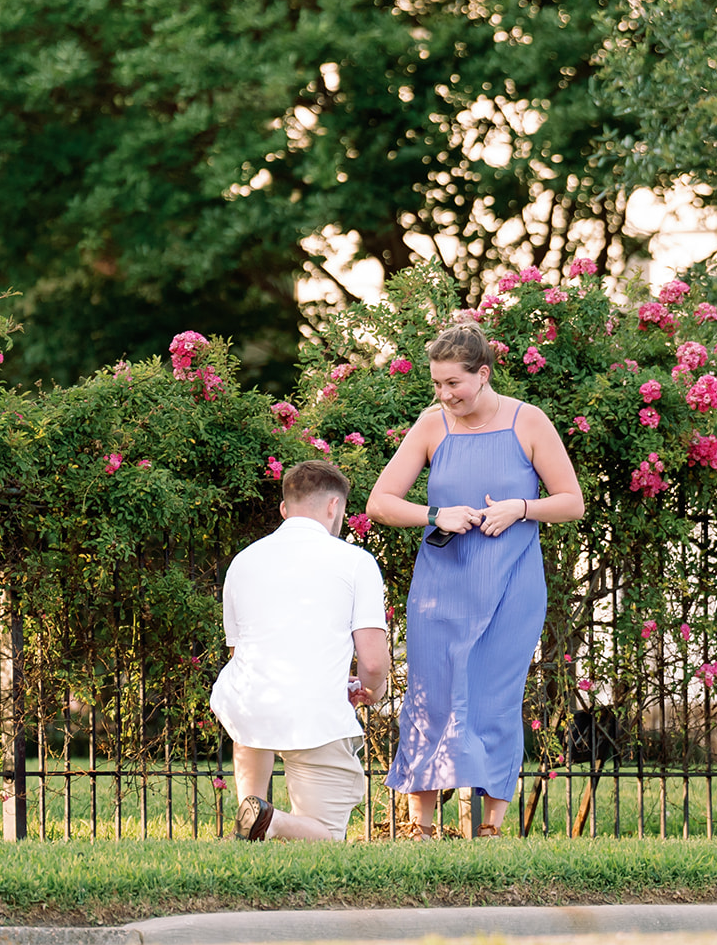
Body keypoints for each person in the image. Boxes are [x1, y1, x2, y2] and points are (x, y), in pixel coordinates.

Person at [368, 321, 584, 838]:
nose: (444, 394)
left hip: (512, 585)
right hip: (441, 586)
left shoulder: (528, 422)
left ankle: (490, 826)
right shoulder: (430, 425)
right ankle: (421, 827)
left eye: (453, 384)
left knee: (495, 696)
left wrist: (522, 508)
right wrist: (434, 513)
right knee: (430, 692)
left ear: (482, 374)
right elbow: (380, 503)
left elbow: (572, 502)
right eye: (437, 385)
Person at [210, 460, 390, 841]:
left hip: (248, 705)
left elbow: (244, 650)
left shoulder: (244, 561)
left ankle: (254, 816)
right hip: (315, 713)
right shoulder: (355, 562)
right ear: (334, 507)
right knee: (325, 835)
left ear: (284, 509)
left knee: (253, 788)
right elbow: (372, 662)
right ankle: (270, 822)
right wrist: (372, 690)